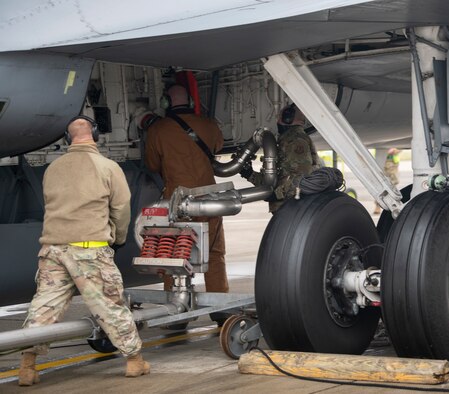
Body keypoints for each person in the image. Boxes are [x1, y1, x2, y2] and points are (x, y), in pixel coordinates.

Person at [18, 116, 148, 386]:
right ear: (97, 135)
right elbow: (121, 208)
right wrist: (118, 238)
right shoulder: (107, 167)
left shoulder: (53, 168)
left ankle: (27, 367)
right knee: (110, 306)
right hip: (89, 249)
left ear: (67, 139)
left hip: (52, 249)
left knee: (44, 308)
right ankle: (134, 361)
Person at [144, 85, 229, 298]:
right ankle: (219, 307)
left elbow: (152, 165)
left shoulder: (159, 130)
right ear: (191, 102)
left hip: (177, 200)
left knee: (173, 251)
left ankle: (175, 306)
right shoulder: (209, 125)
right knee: (215, 252)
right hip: (209, 198)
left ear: (165, 102)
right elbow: (218, 147)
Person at [241, 103, 320, 213]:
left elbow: (301, 176)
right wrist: (250, 174)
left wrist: (276, 194)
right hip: (288, 209)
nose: (277, 121)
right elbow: (278, 180)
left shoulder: (295, 140)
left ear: (287, 118)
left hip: (293, 210)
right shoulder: (287, 140)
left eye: (279, 117)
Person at [374, 148, 400, 215]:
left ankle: (393, 205)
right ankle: (378, 206)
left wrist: (395, 149)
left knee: (392, 185)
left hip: (392, 163)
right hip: (382, 162)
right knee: (380, 185)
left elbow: (399, 148)